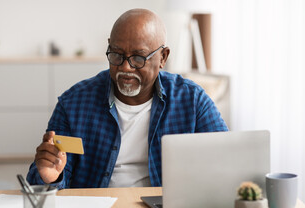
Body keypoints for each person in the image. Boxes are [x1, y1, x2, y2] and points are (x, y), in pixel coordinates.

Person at [27, 8, 228, 189]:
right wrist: (50, 177)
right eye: (116, 55)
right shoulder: (74, 104)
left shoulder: (192, 100)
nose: (125, 67)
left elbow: (226, 160)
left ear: (163, 58)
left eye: (138, 58)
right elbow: (47, 177)